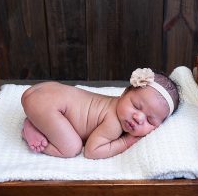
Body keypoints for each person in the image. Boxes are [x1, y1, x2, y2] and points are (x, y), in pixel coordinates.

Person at [21, 67, 180, 159]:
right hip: (46, 105)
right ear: (124, 93)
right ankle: (32, 129)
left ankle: (38, 120)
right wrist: (125, 142)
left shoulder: (118, 106)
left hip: (44, 90)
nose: (138, 117)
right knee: (72, 148)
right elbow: (91, 151)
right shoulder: (114, 124)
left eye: (150, 121)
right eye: (136, 106)